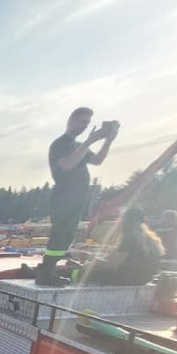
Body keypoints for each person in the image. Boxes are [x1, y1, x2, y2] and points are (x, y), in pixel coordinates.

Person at [38, 107, 118, 286]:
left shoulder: (76, 146)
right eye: (82, 122)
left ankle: (49, 269)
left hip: (76, 197)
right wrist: (89, 141)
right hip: (64, 196)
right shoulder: (61, 143)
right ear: (71, 120)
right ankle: (46, 271)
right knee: (61, 233)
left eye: (88, 123)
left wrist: (108, 141)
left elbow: (97, 160)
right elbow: (67, 165)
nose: (85, 126)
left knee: (67, 235)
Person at [77, 208, 165, 286]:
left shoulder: (130, 238)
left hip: (126, 279)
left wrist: (90, 258)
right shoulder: (149, 238)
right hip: (143, 279)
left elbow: (112, 265)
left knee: (84, 269)